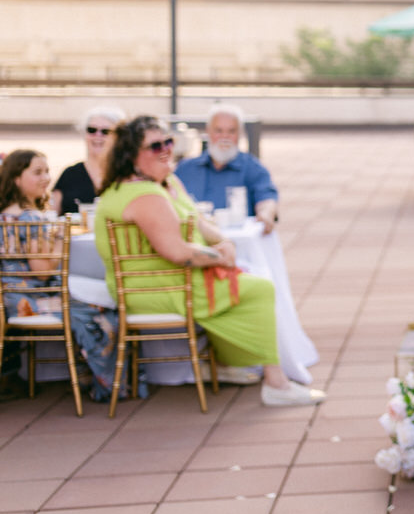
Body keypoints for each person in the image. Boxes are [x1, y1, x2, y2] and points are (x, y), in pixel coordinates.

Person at [96, 115, 324, 406]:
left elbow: (197, 220)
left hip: (170, 280)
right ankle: (276, 383)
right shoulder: (143, 195)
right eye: (155, 146)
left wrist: (223, 243)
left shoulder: (164, 182)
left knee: (249, 278)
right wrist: (220, 257)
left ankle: (230, 365)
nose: (166, 149)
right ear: (131, 155)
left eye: (169, 141)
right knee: (260, 288)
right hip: (152, 289)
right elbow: (177, 251)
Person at [1, 149, 119, 401]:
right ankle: (105, 384)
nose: (46, 178)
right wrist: (59, 241)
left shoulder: (6, 215)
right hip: (27, 302)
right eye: (37, 172)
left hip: (9, 298)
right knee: (103, 308)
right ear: (16, 179)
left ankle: (89, 374)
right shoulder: (30, 218)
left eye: (46, 171)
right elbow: (42, 272)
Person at [174, 104, 279, 233]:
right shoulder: (184, 169)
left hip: (237, 246)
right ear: (208, 131)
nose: (225, 137)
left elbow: (267, 199)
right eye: (219, 131)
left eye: (231, 131)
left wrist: (265, 214)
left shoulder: (253, 168)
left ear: (240, 134)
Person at [50, 105, 127, 216]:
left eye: (105, 131)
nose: (98, 135)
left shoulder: (126, 174)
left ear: (118, 137)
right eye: (92, 130)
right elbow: (52, 216)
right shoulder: (69, 175)